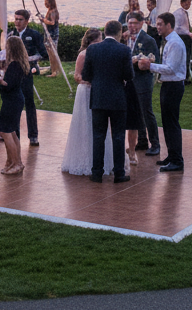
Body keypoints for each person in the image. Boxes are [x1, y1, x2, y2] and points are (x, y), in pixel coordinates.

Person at [61, 28, 124, 176]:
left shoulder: (100, 53)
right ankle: (85, 159)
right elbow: (77, 75)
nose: (100, 43)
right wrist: (88, 81)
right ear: (90, 41)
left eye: (100, 40)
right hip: (86, 91)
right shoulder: (83, 54)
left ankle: (101, 161)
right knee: (86, 124)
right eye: (97, 41)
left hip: (98, 91)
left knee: (99, 127)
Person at [81, 20, 133, 183]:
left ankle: (97, 172)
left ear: (104, 32)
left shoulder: (93, 49)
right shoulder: (124, 50)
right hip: (118, 98)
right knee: (118, 136)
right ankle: (119, 173)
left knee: (98, 136)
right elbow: (129, 75)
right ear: (119, 33)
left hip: (98, 98)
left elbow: (86, 75)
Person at [140, 12, 186, 172]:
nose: (157, 27)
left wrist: (149, 66)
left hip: (173, 86)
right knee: (167, 123)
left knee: (172, 123)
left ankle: (177, 160)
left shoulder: (175, 43)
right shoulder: (169, 41)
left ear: (169, 25)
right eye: (156, 24)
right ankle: (172, 156)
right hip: (168, 85)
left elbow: (171, 68)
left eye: (160, 24)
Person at [7, 9, 47, 146]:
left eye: (20, 19)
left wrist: (28, 59)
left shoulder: (34, 35)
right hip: (13, 74)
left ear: (26, 21)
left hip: (26, 73)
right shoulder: (11, 34)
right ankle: (11, 133)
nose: (17, 22)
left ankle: (33, 135)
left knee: (29, 103)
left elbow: (43, 54)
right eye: (16, 19)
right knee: (12, 103)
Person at [0, 35, 31, 174]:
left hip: (11, 100)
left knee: (5, 131)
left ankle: (16, 163)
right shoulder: (18, 63)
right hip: (14, 99)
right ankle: (12, 161)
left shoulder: (14, 65)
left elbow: (8, 84)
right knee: (12, 132)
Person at [125, 10, 160, 159]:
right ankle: (142, 141)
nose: (132, 26)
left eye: (134, 23)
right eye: (129, 23)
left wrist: (141, 62)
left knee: (146, 112)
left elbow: (155, 59)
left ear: (141, 23)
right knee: (134, 112)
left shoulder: (148, 40)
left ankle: (155, 144)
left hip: (143, 80)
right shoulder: (124, 38)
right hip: (129, 81)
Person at [175, 0, 192, 66]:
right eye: (186, 3)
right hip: (182, 37)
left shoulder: (185, 13)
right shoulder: (178, 13)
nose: (188, 5)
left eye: (189, 4)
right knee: (184, 58)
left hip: (186, 37)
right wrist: (188, 33)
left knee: (188, 56)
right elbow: (177, 28)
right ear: (181, 3)